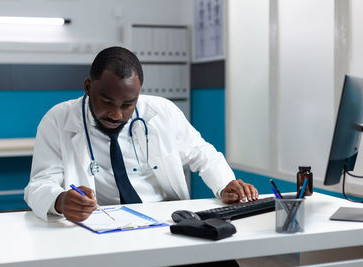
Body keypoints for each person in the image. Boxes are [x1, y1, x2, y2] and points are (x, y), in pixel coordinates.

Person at [24, 46, 259, 222]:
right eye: (107, 102)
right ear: (88, 87)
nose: (116, 114)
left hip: (164, 219)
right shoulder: (58, 120)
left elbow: (201, 154)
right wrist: (60, 201)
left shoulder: (161, 112)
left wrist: (225, 183)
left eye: (128, 104)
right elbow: (40, 183)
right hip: (103, 225)